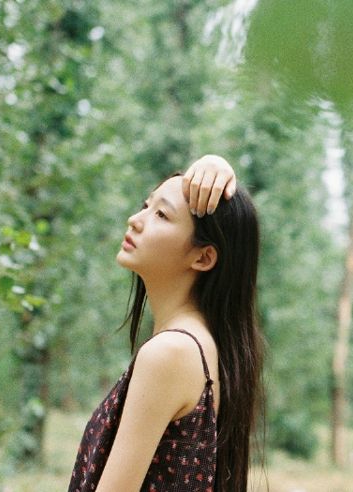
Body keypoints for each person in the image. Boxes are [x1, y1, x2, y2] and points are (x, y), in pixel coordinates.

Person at [68, 155, 263, 492]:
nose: (135, 220)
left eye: (161, 214)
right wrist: (214, 161)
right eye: (146, 206)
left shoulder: (171, 352)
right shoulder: (205, 343)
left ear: (203, 257)